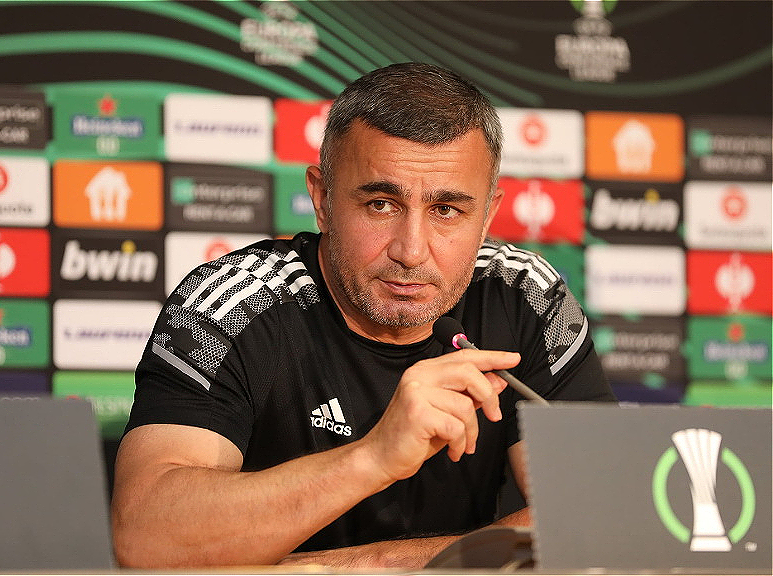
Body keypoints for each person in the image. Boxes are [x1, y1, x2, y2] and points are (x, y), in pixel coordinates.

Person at [111, 62, 615, 569]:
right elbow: (144, 537)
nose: (411, 251)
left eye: (446, 211)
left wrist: (366, 566)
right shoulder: (232, 304)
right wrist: (373, 457)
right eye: (380, 204)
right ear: (322, 199)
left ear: (487, 215)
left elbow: (605, 511)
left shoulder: (523, 294)